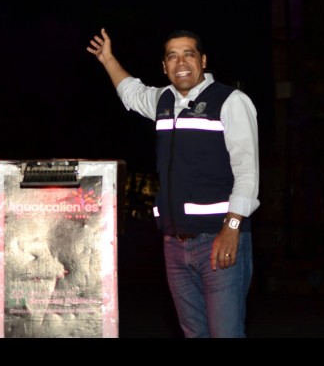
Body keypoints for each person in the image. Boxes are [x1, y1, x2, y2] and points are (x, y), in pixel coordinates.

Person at [87, 28, 260, 338]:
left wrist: (232, 228)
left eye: (188, 54)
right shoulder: (163, 101)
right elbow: (131, 92)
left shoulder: (230, 101)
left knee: (226, 333)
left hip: (218, 239)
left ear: (203, 60)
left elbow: (247, 172)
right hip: (175, 245)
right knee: (193, 333)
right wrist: (108, 59)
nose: (181, 62)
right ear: (164, 66)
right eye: (172, 56)